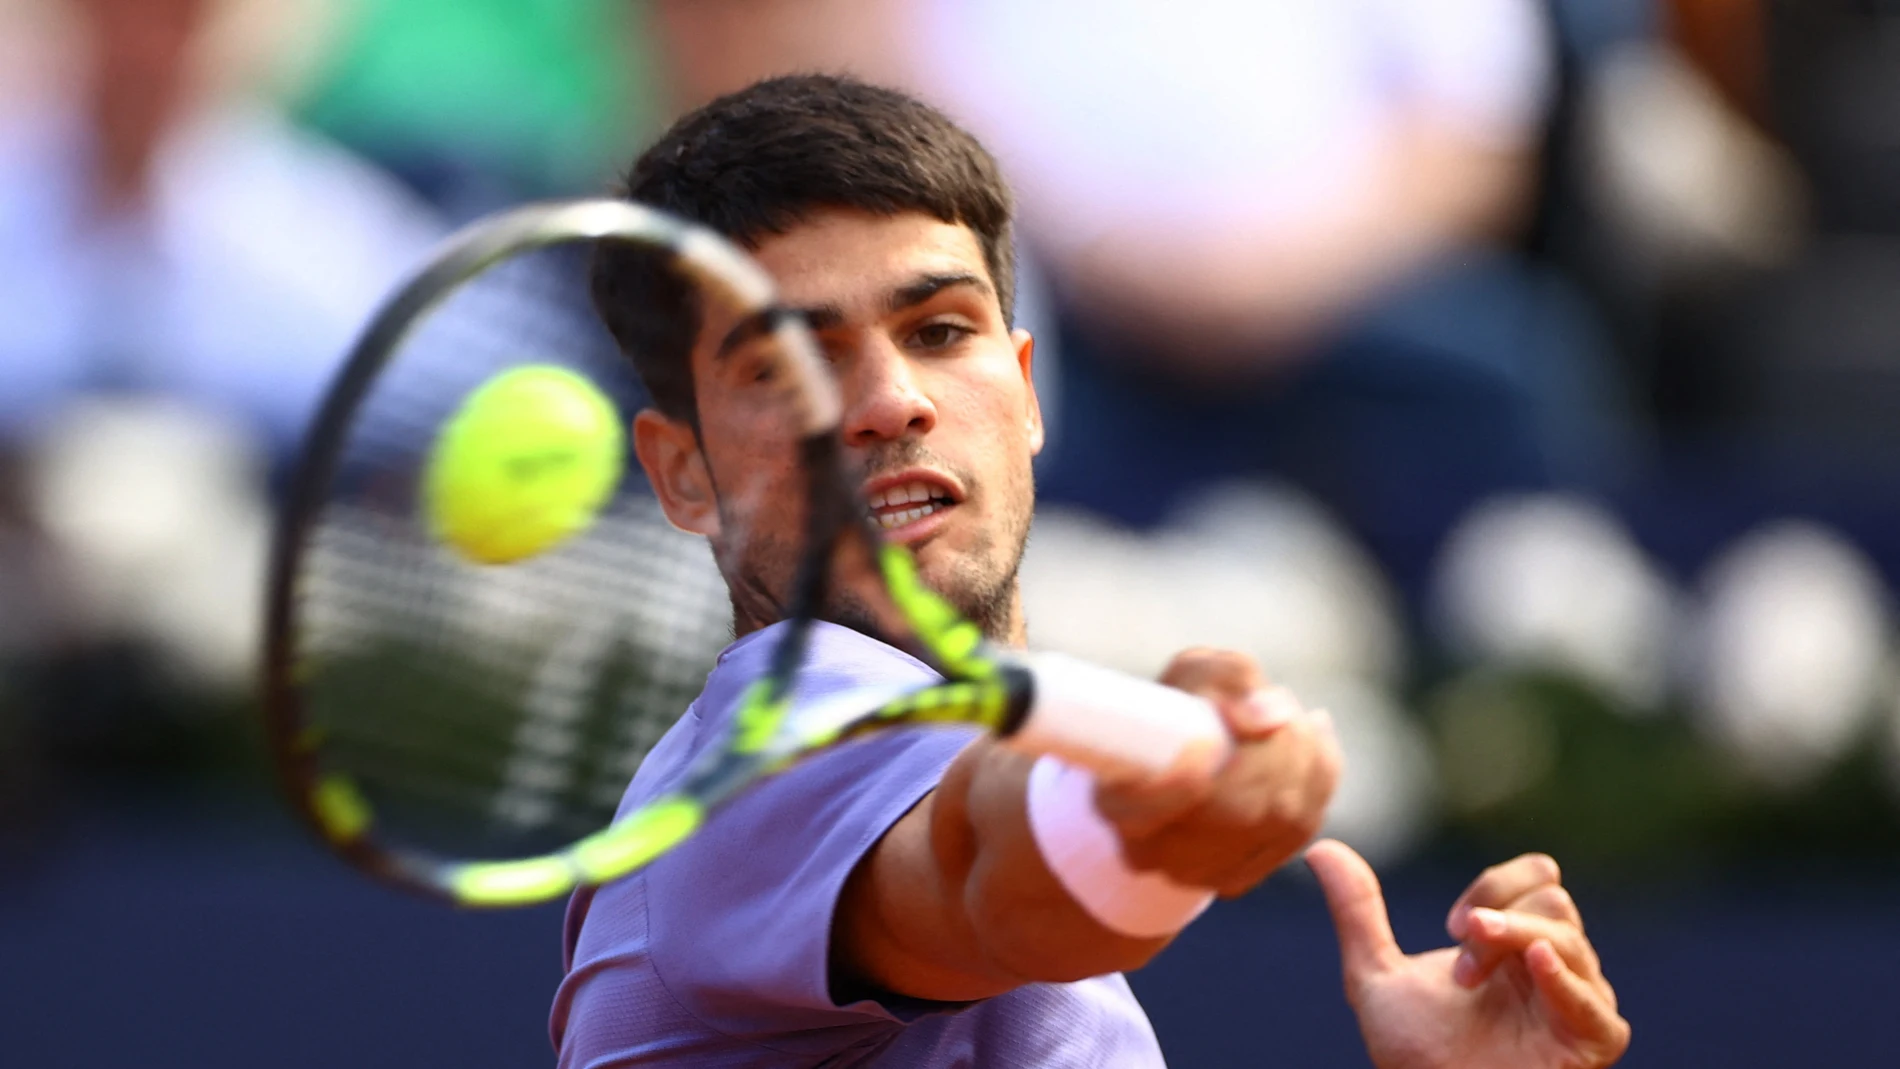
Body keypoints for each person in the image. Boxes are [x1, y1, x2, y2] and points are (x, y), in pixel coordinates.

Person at [551, 75, 1630, 1068]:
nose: (890, 400)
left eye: (937, 330)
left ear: (1024, 393)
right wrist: (1126, 816)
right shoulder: (752, 772)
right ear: (682, 472)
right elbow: (988, 874)